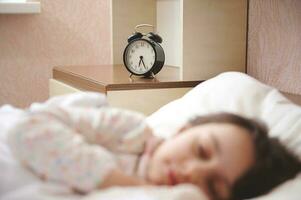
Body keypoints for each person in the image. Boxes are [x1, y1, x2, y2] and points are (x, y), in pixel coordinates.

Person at [7, 105, 301, 200]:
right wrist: (122, 183)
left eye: (212, 185)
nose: (194, 173)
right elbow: (26, 131)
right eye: (201, 150)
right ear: (183, 131)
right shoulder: (131, 133)